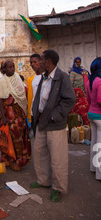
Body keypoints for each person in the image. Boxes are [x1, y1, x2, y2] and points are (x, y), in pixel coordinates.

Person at [31, 49, 76, 202]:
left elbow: (69, 100)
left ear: (48, 61)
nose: (39, 63)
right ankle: (43, 181)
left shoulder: (62, 77)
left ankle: (58, 188)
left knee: (57, 159)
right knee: (39, 153)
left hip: (55, 124)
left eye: (41, 60)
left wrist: (54, 115)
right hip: (41, 122)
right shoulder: (43, 77)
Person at [0, 60, 31, 171]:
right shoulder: (2, 81)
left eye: (13, 67)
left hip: (19, 113)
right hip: (8, 114)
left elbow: (23, 95)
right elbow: (0, 101)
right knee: (11, 137)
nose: (12, 69)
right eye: (9, 67)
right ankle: (11, 160)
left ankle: (20, 159)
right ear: (4, 69)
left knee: (21, 136)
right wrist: (4, 117)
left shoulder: (17, 78)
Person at [85, 57, 101, 181]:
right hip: (99, 116)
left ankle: (93, 167)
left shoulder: (90, 81)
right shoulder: (99, 81)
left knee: (95, 143)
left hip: (91, 114)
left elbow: (89, 100)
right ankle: (99, 174)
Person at [27, 54, 43, 124]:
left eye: (35, 62)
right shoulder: (31, 80)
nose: (32, 64)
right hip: (34, 113)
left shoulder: (46, 78)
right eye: (31, 63)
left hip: (43, 114)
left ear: (40, 62)